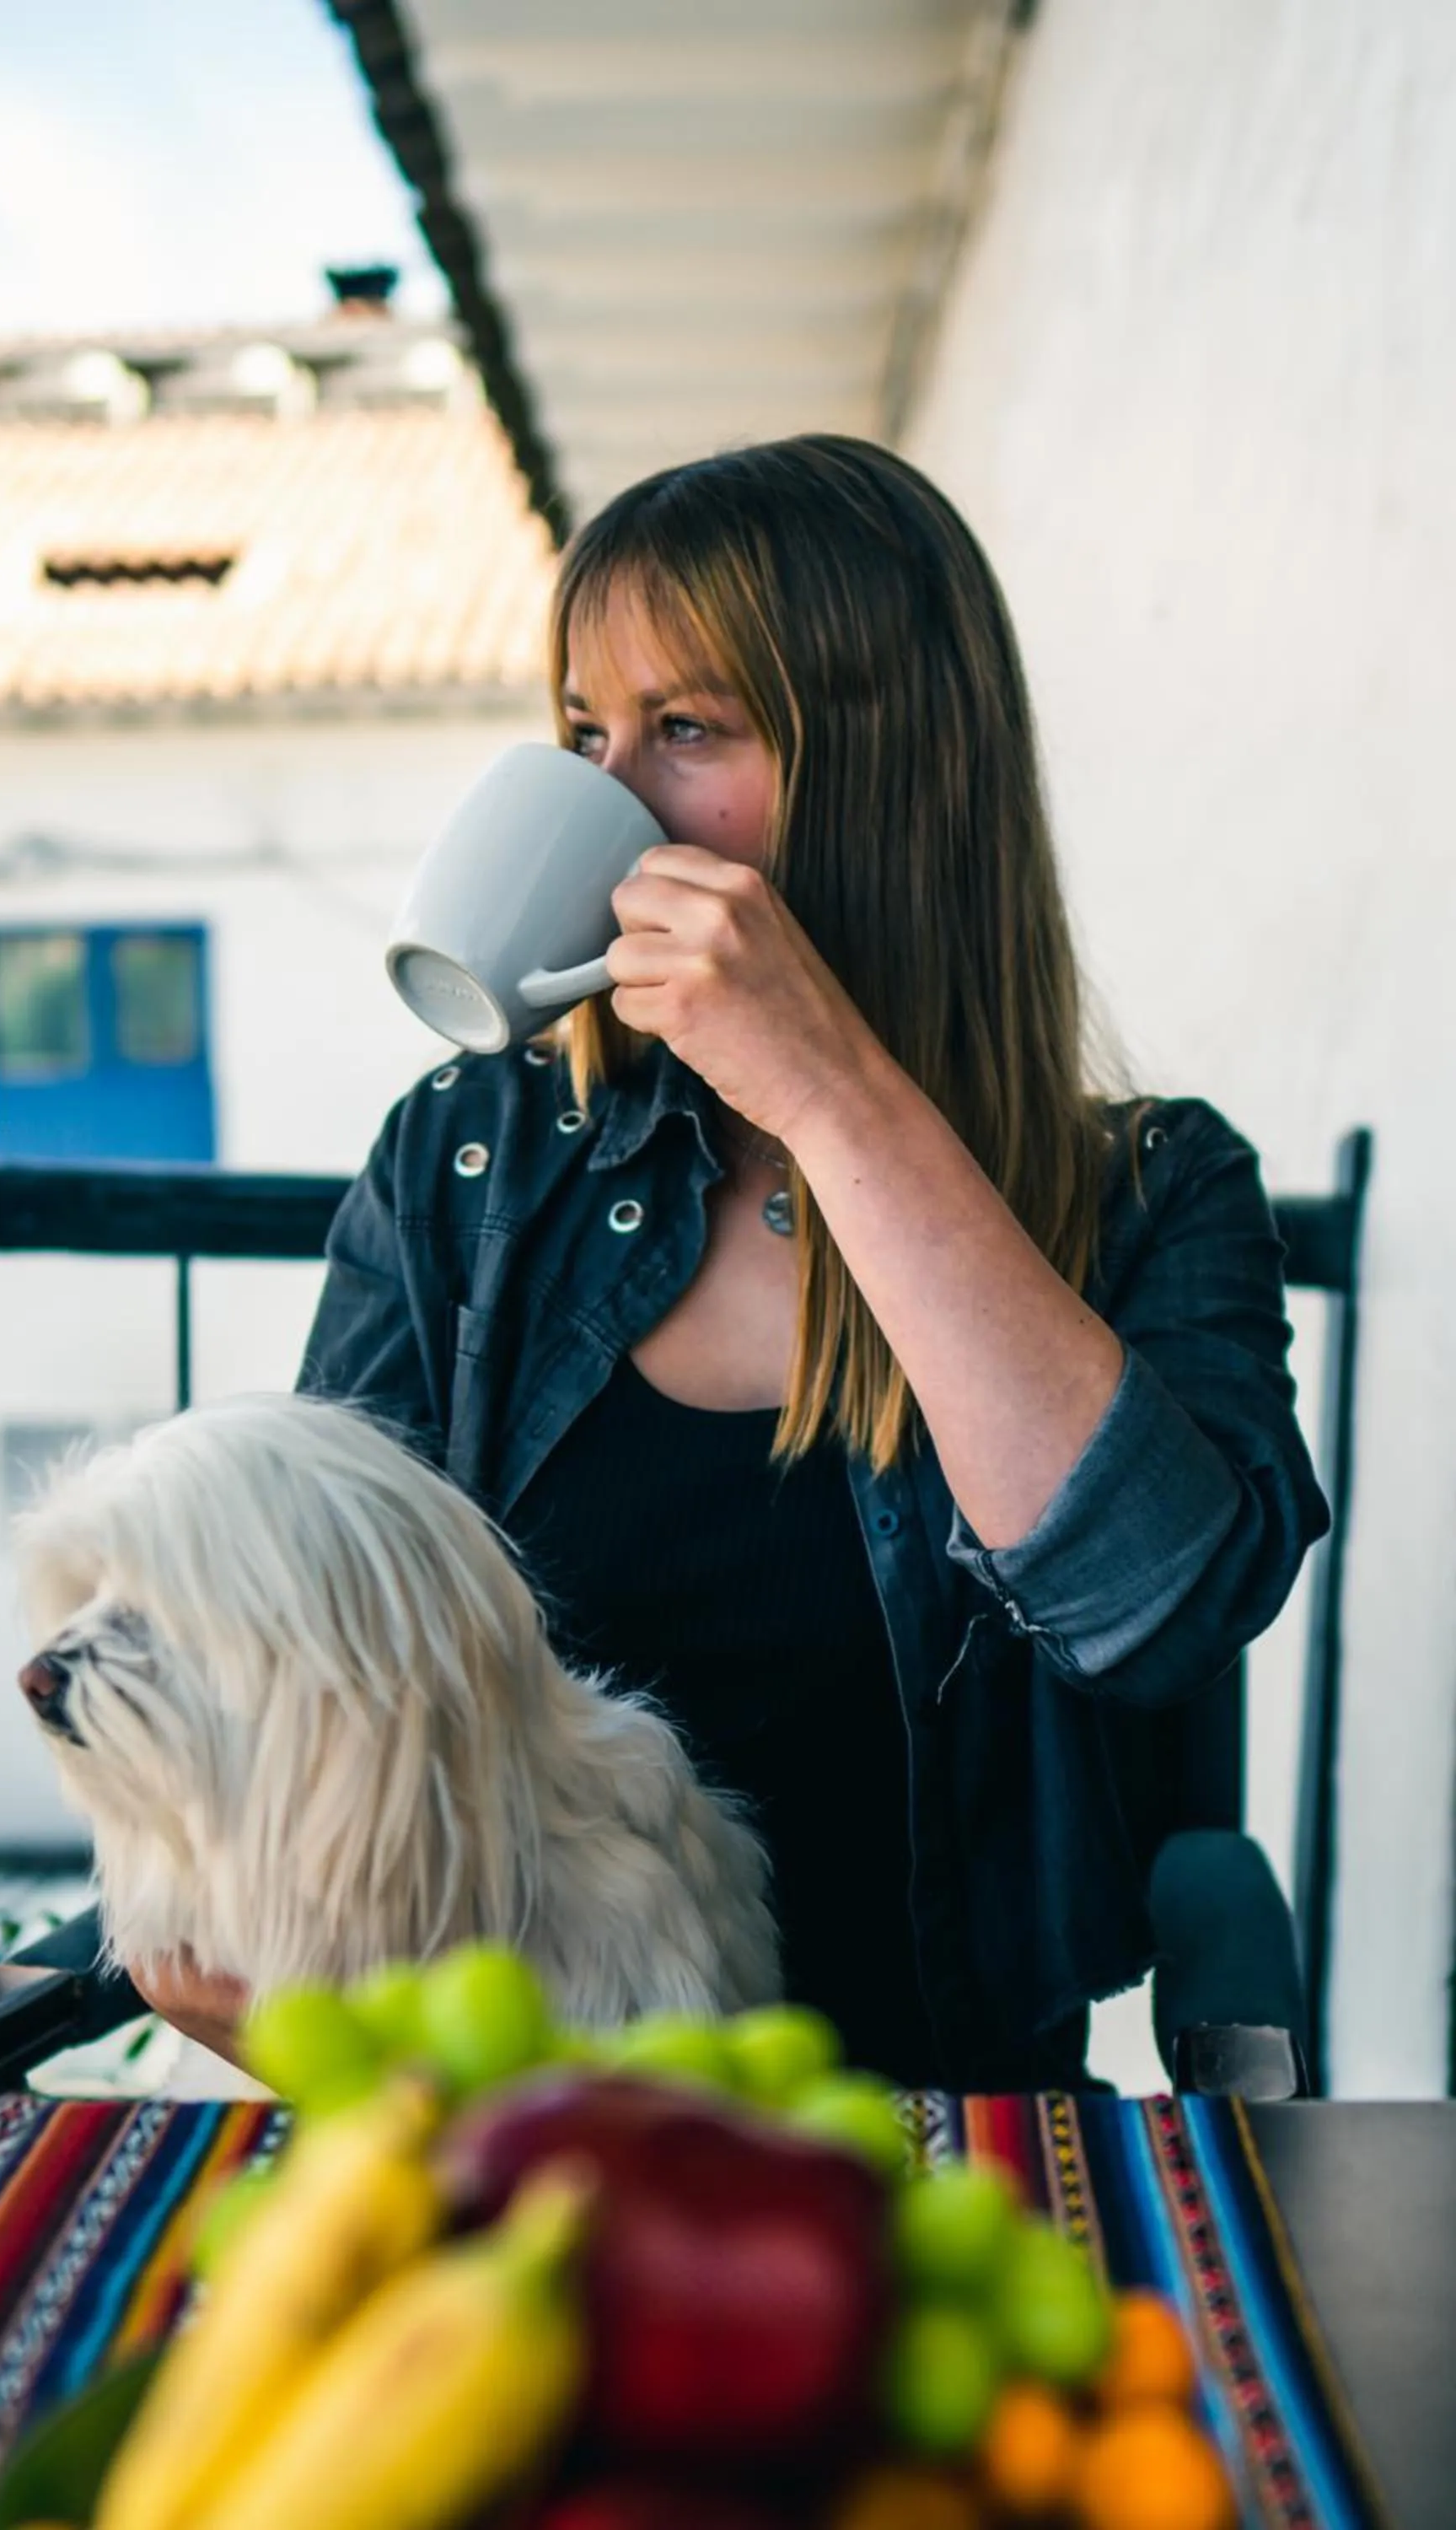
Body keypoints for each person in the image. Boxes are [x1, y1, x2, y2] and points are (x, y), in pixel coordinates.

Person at [135, 435, 1328, 2091]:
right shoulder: (466, 1168)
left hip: (933, 2117)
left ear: (890, 774)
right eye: (580, 734)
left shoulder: (1144, 1194)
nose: (606, 802)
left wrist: (831, 1094)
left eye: (684, 730)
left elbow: (1158, 1609)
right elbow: (312, 1657)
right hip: (505, 2104)